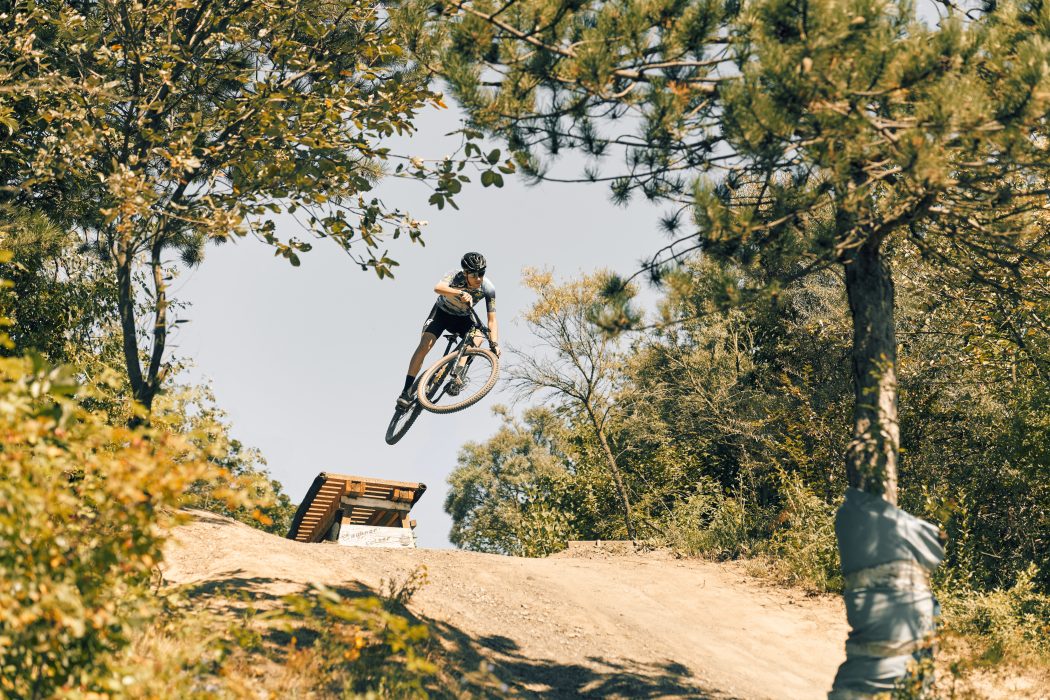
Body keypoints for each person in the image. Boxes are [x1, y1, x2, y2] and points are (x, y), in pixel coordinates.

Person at [396, 252, 500, 409]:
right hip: (441, 314)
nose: (478, 278)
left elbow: (492, 320)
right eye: (473, 274)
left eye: (481, 273)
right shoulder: (454, 276)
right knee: (425, 345)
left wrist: (495, 343)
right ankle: (406, 391)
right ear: (465, 273)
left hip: (463, 319)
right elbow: (438, 288)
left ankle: (457, 375)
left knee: (478, 337)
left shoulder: (488, 288)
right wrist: (460, 292)